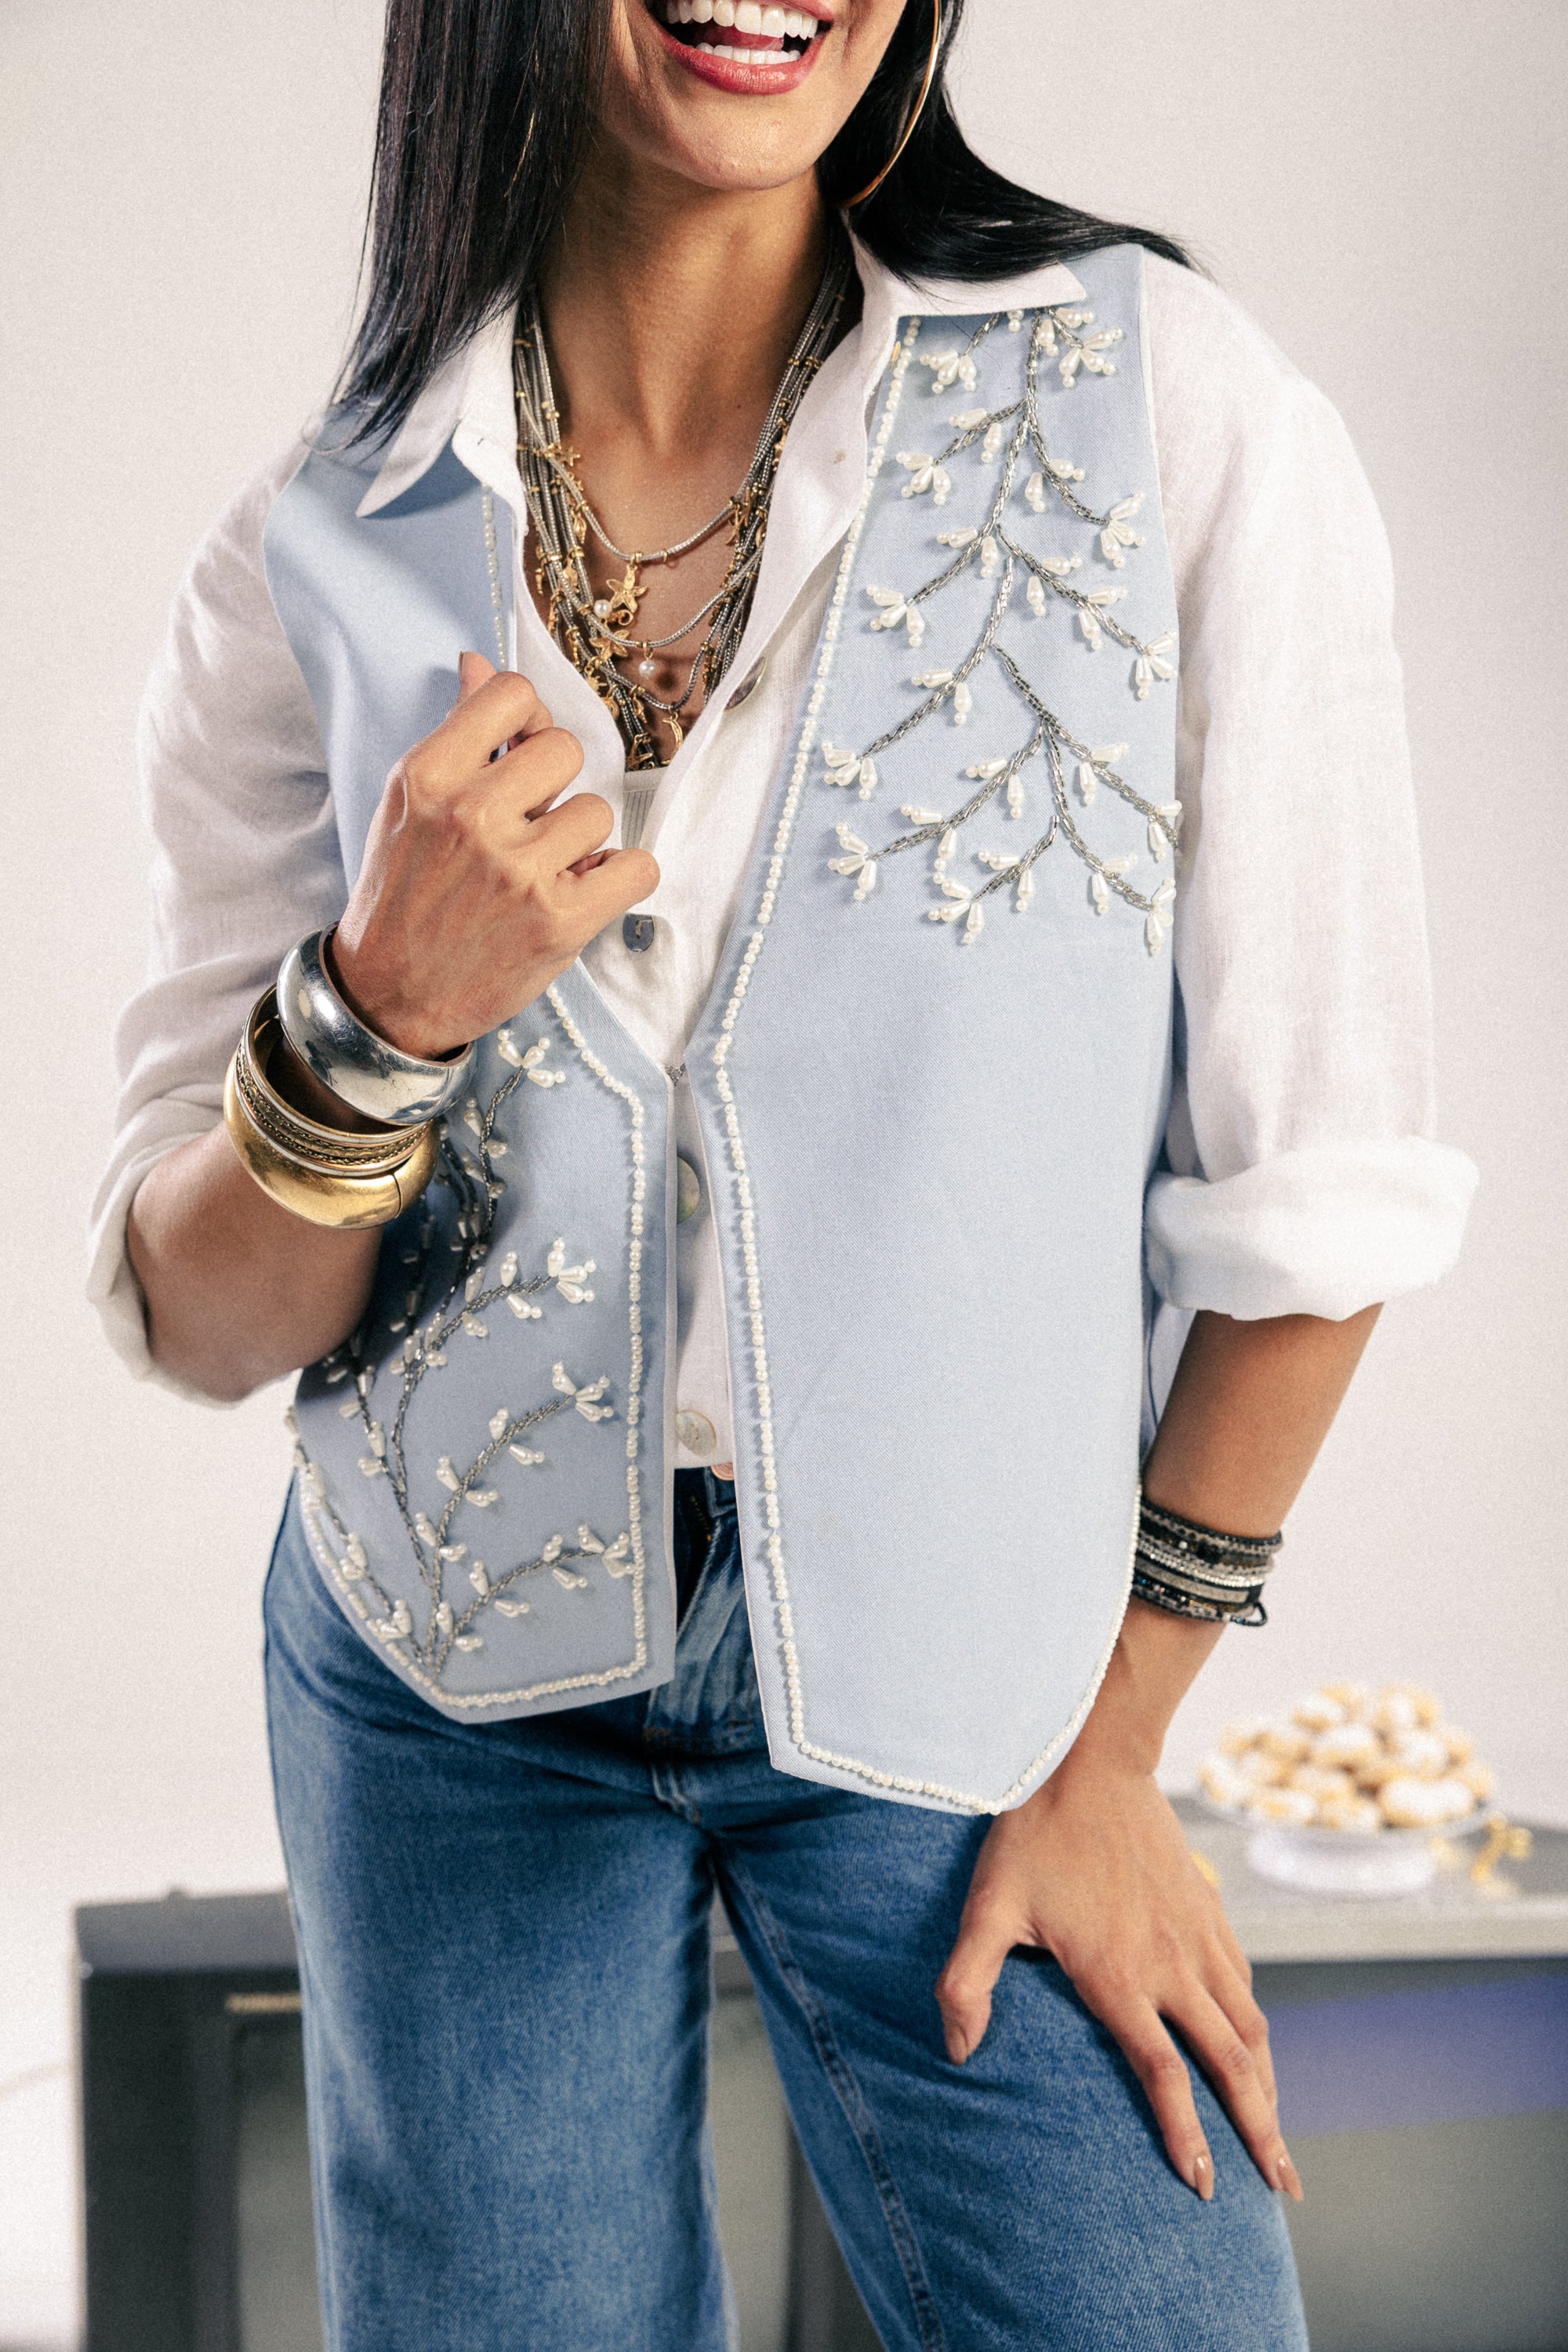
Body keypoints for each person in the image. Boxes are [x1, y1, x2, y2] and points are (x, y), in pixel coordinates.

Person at [90, 0, 1477, 2343]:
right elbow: (211, 1315)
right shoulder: (321, 546)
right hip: (444, 1685)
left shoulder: (1170, 408)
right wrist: (373, 1014)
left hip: (979, 1685)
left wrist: (1117, 1749)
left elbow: (1322, 1185)